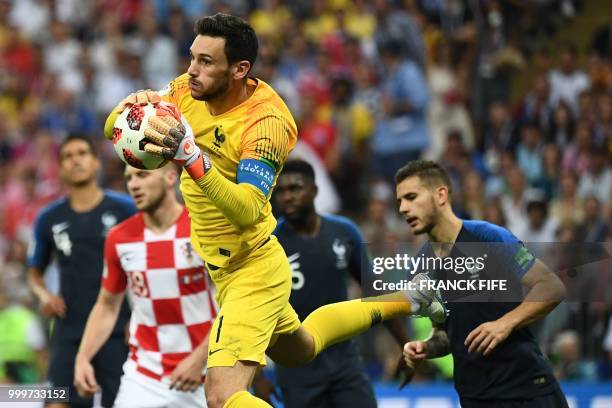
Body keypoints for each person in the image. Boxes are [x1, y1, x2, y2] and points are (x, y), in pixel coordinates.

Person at [104, 14, 443, 408]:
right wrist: (138, 102)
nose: (191, 70)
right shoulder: (186, 90)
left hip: (252, 270)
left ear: (239, 69)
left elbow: (248, 209)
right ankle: (410, 298)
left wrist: (192, 159)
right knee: (302, 347)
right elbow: (114, 127)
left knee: (222, 395)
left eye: (206, 62)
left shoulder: (267, 123)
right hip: (228, 269)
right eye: (192, 58)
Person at [397, 160, 568, 407]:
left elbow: (551, 286)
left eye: (411, 197)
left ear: (441, 194)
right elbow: (445, 333)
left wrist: (503, 324)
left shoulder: (487, 236)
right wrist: (426, 347)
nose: (403, 208)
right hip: (475, 398)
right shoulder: (420, 267)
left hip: (526, 390)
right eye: (400, 201)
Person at [265, 159, 408, 407]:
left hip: (345, 364)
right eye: (281, 191)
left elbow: (375, 292)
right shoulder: (270, 244)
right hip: (297, 371)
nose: (287, 197)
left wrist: (405, 345)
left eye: (295, 188)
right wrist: (256, 376)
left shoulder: (344, 233)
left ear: (314, 191)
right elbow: (255, 310)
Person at [74, 164, 216, 407]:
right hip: (144, 376)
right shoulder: (119, 238)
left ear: (171, 177)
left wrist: (199, 359)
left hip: (205, 373)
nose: (133, 184)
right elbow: (107, 306)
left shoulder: (205, 229)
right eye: (129, 178)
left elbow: (232, 305)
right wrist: (83, 357)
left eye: (142, 175)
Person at [28, 134, 136, 408]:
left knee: (123, 403)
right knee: (56, 403)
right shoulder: (49, 218)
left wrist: (139, 315)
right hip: (69, 330)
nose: (75, 160)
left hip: (116, 330)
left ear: (95, 162)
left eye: (82, 153)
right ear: (61, 168)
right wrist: (44, 296)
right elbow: (34, 273)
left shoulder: (125, 209)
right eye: (68, 156)